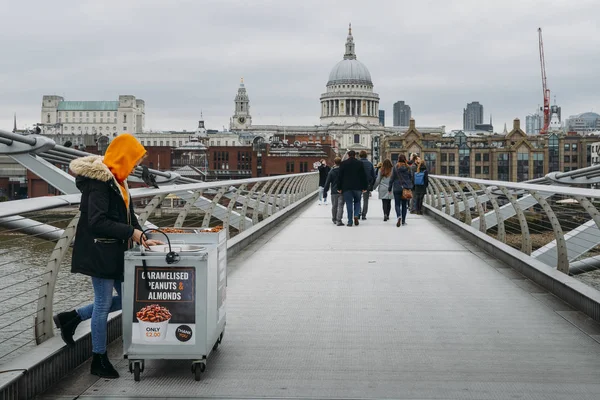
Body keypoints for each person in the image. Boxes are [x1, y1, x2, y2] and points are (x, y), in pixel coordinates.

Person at [52, 134, 162, 379]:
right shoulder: (98, 182)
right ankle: (98, 359)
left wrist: (141, 235)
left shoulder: (118, 180)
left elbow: (127, 216)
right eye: (133, 160)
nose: (134, 166)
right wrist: (130, 232)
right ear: (123, 157)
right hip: (100, 250)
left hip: (117, 251)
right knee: (103, 303)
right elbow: (97, 221)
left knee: (128, 301)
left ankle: (72, 317)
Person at [337, 150, 368, 226]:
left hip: (346, 188)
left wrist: (339, 187)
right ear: (355, 155)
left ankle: (350, 221)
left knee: (349, 204)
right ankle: (356, 215)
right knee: (357, 202)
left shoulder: (343, 164)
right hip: (358, 187)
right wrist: (364, 187)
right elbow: (363, 176)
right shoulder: (360, 163)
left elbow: (339, 177)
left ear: (348, 155)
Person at [388, 154, 414, 227]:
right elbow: (411, 178)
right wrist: (410, 186)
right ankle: (403, 221)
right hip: (405, 188)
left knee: (397, 204)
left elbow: (392, 178)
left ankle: (398, 216)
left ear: (398, 159)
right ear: (405, 159)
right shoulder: (408, 167)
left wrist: (389, 188)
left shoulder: (395, 167)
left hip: (396, 187)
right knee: (404, 205)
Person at [323, 157, 344, 226]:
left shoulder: (331, 171)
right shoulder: (343, 170)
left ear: (334, 163)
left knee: (334, 206)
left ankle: (334, 219)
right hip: (342, 191)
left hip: (334, 191)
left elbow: (327, 182)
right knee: (340, 206)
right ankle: (339, 220)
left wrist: (325, 191)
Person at [358, 150, 376, 220]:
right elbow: (374, 175)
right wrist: (372, 184)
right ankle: (364, 214)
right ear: (366, 156)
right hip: (367, 184)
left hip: (358, 184)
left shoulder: (358, 163)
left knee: (358, 199)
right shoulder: (370, 164)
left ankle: (358, 212)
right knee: (366, 200)